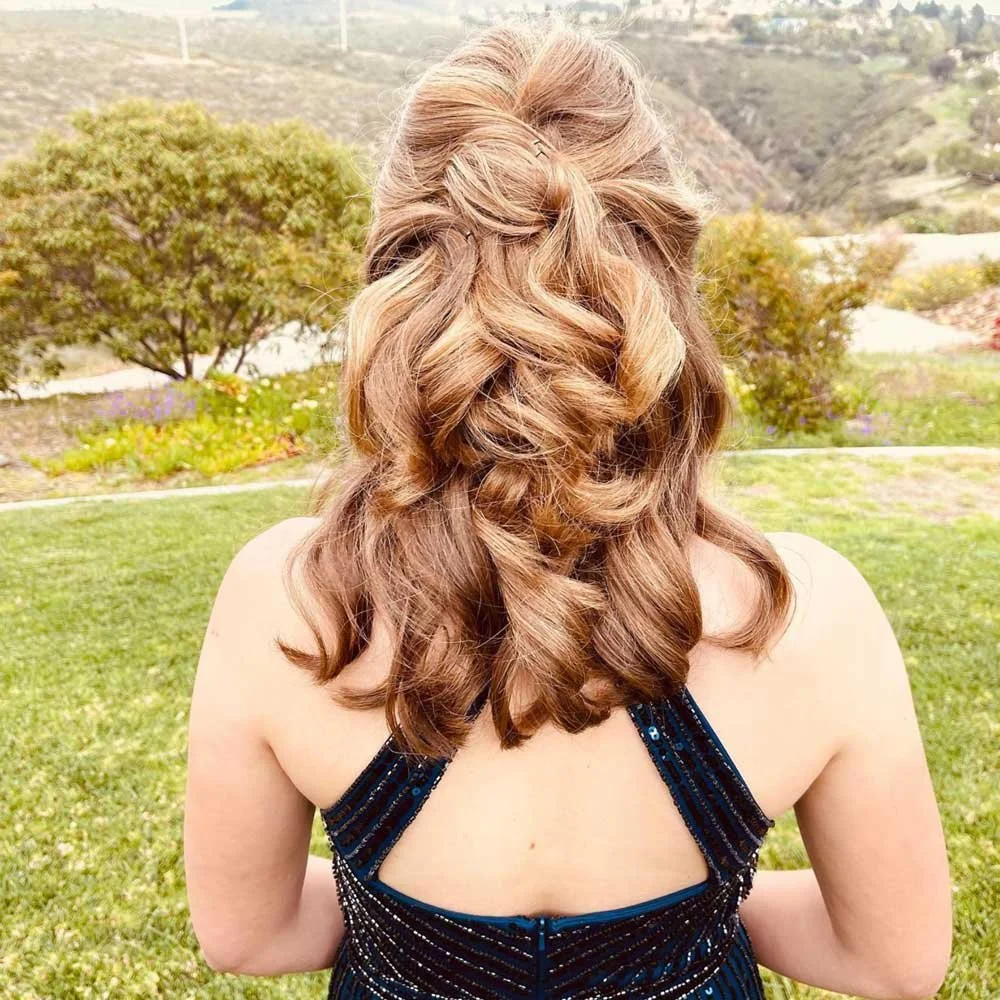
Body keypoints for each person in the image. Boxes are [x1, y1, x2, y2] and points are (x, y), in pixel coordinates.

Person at [183, 17, 952, 999]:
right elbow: (893, 961)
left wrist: (411, 931)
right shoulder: (799, 614)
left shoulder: (292, 602)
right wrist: (695, 915)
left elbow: (248, 933)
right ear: (660, 269)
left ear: (399, 268)